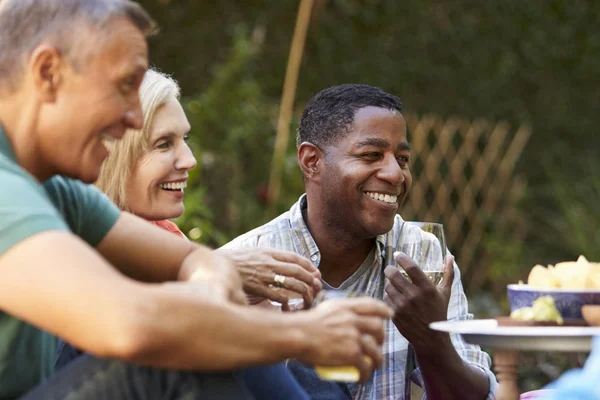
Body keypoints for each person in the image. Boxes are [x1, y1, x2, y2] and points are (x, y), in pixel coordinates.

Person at [0, 1, 393, 399]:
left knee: (204, 338)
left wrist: (209, 299)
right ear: (48, 73)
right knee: (176, 352)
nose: (134, 118)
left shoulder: (54, 188)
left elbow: (195, 260)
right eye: (122, 86)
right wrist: (299, 334)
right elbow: (130, 324)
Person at [54, 68, 320, 400]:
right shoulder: (59, 232)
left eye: (185, 140)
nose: (189, 160)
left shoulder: (162, 232)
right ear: (110, 156)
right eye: (163, 144)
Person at [223, 84, 499, 399]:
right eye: (371, 155)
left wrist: (432, 340)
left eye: (403, 158)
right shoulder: (243, 264)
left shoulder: (423, 254)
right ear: (312, 161)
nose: (396, 174)